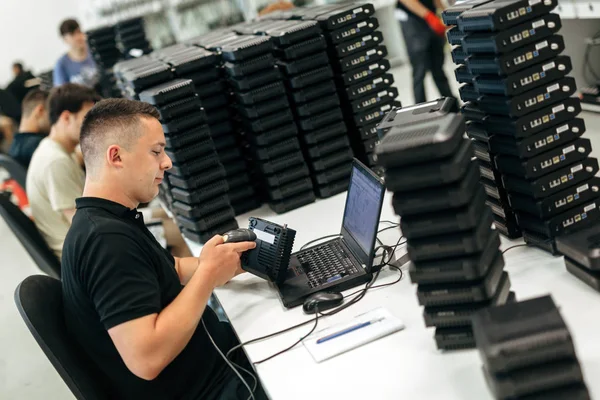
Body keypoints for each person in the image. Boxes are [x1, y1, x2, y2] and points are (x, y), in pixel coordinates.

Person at [62, 98, 266, 399]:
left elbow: (170, 270)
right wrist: (208, 275)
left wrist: (222, 259)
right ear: (116, 156)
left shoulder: (109, 219)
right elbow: (147, 359)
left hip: (217, 366)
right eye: (156, 151)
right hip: (213, 389)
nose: (167, 162)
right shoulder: (106, 242)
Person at [26, 83, 99, 259]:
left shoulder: (57, 150)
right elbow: (86, 226)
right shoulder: (55, 162)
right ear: (66, 117)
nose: (95, 126)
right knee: (172, 228)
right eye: (88, 119)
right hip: (87, 257)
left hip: (87, 245)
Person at [397, 0, 456, 104]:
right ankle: (420, 109)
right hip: (411, 18)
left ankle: (452, 105)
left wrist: (445, 13)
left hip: (429, 13)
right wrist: (429, 16)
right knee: (420, 69)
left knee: (438, 67)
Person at [8, 89, 50, 168]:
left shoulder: (14, 146)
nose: (55, 120)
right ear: (40, 111)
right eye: (52, 114)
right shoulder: (40, 145)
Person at [53, 19, 99, 88]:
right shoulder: (62, 64)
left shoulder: (96, 52)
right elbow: (62, 92)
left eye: (79, 32)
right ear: (65, 39)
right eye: (72, 34)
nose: (78, 37)